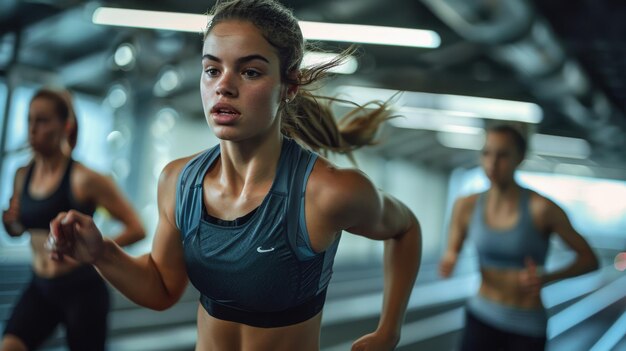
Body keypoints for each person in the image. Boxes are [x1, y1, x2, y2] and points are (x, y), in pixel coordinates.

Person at [46, 0, 422, 350]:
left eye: (250, 71)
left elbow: (405, 229)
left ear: (288, 86)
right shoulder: (178, 182)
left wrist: (388, 331)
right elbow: (161, 289)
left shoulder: (327, 192)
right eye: (212, 70)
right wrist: (102, 253)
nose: (223, 86)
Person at [1, 88, 146, 351]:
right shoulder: (22, 174)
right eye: (30, 120)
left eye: (42, 121)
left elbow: (137, 228)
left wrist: (94, 251)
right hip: (39, 285)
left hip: (82, 289)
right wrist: (11, 223)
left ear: (65, 126)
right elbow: (21, 229)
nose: (33, 129)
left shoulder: (85, 178)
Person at [439, 124, 599, 351]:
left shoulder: (542, 209)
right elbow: (453, 248)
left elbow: (590, 259)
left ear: (520, 158)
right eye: (487, 153)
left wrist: (548, 277)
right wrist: (450, 258)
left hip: (525, 327)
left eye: (502, 155)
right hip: (481, 315)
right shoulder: (466, 205)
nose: (492, 164)